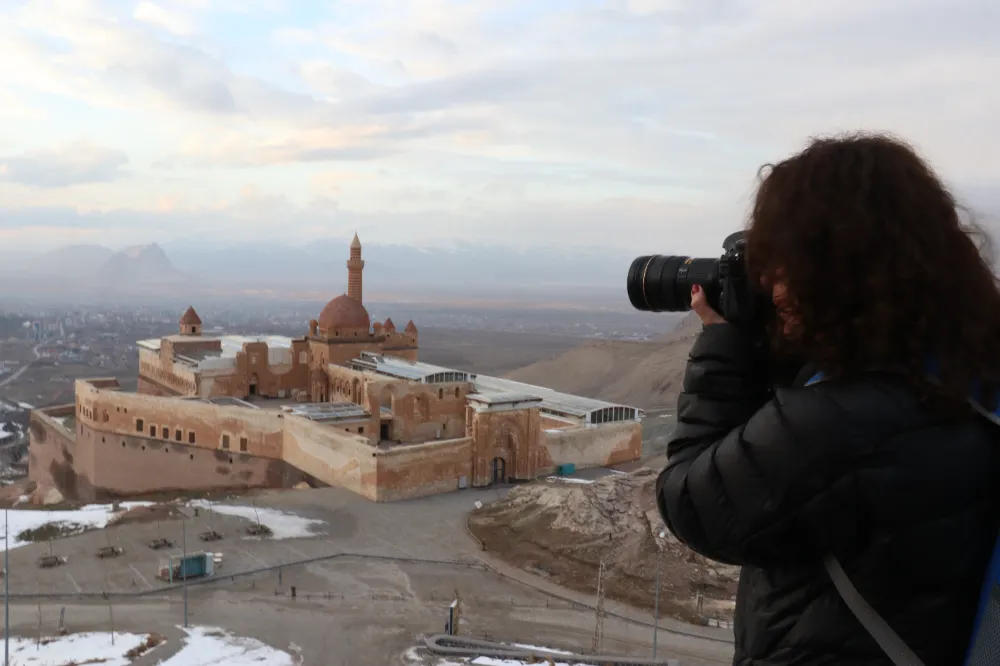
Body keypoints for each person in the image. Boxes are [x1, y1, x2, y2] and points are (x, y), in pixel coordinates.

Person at [656, 133, 1000, 665]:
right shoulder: (964, 381)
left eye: (783, 263)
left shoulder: (839, 424)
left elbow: (693, 503)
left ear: (835, 272)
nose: (771, 284)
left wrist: (726, 354)